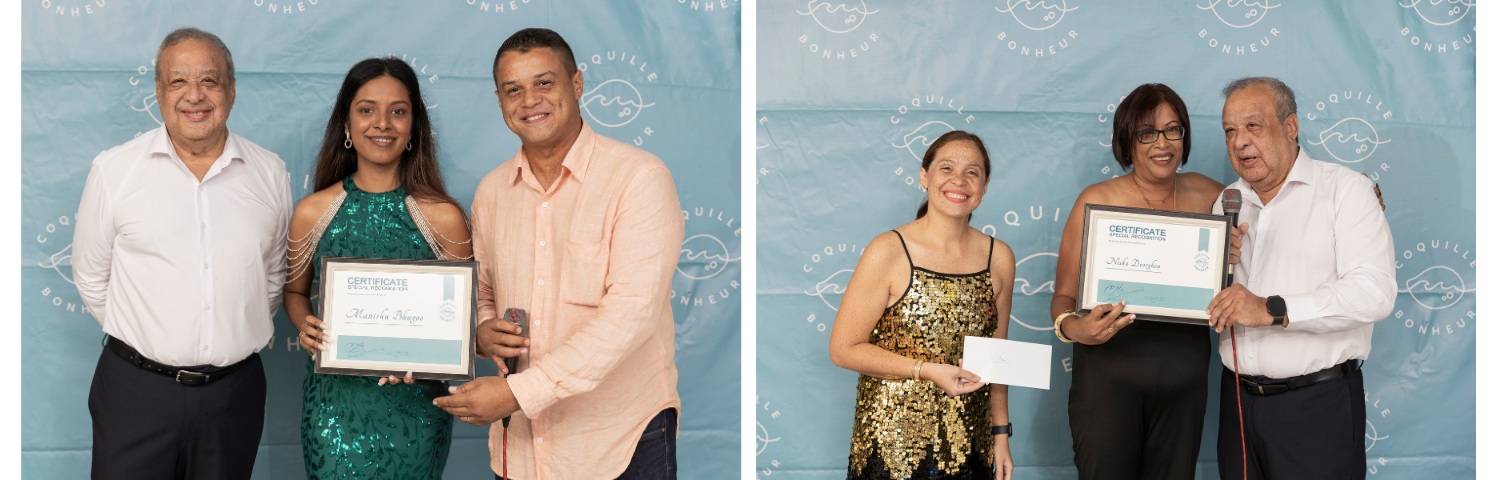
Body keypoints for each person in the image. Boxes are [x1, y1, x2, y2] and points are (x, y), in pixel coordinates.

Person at [432, 28, 685, 480]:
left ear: (577, 83)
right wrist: (483, 329)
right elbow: (482, 290)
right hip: (520, 447)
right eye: (514, 89)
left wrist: (517, 394)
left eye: (544, 83)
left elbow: (631, 316)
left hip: (620, 439)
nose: (530, 100)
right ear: (499, 100)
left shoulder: (639, 179)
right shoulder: (492, 192)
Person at [72, 27, 291, 479]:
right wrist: (151, 343)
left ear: (231, 89)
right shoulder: (114, 171)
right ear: (158, 91)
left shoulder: (270, 172)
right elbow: (92, 277)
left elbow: (271, 279)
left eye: (209, 80)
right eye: (178, 82)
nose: (195, 96)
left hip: (234, 395)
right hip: (134, 393)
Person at [282, 57, 473, 478]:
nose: (382, 123)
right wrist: (304, 323)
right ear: (347, 125)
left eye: (397, 111)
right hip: (333, 410)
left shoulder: (444, 217)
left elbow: (464, 320)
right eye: (367, 109)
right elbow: (294, 292)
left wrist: (432, 358)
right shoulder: (313, 211)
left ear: (414, 127)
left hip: (417, 414)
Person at [1206, 76, 1395, 480]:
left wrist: (1271, 309)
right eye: (1230, 131)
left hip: (1316, 406)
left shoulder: (1346, 191)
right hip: (1237, 403)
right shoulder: (1226, 202)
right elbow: (1215, 303)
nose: (1239, 142)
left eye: (1253, 126)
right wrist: (1212, 270)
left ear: (1290, 126)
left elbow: (1374, 292)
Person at [1049, 83, 1237, 479]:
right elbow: (1064, 296)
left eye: (1173, 130)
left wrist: (1349, 193)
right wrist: (1076, 329)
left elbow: (1277, 215)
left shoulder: (1212, 195)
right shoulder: (1096, 201)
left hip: (1184, 382)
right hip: (1107, 380)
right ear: (1127, 140)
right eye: (1147, 132)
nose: (1162, 143)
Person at [829, 130, 1017, 480]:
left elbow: (997, 355)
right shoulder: (887, 250)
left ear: (984, 186)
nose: (959, 180)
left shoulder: (999, 257)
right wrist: (926, 370)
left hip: (969, 445)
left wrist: (1000, 434)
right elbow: (843, 349)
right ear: (924, 176)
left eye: (972, 172)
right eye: (946, 168)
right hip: (891, 448)